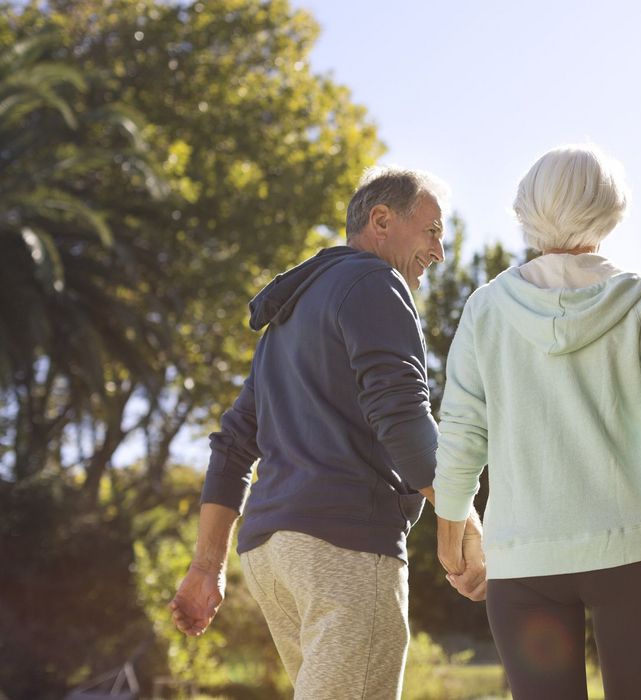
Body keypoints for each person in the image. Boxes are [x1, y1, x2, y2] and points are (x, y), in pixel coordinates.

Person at [432, 144, 641, 699]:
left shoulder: (485, 310)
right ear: (611, 209)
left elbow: (463, 436)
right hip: (636, 554)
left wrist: (453, 543)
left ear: (526, 208)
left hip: (525, 562)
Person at [169, 167, 486, 699]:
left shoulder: (287, 320)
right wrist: (465, 519)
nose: (439, 252)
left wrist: (207, 566)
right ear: (381, 220)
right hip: (344, 545)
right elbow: (403, 419)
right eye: (432, 231)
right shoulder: (375, 282)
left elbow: (232, 446)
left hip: (272, 554)